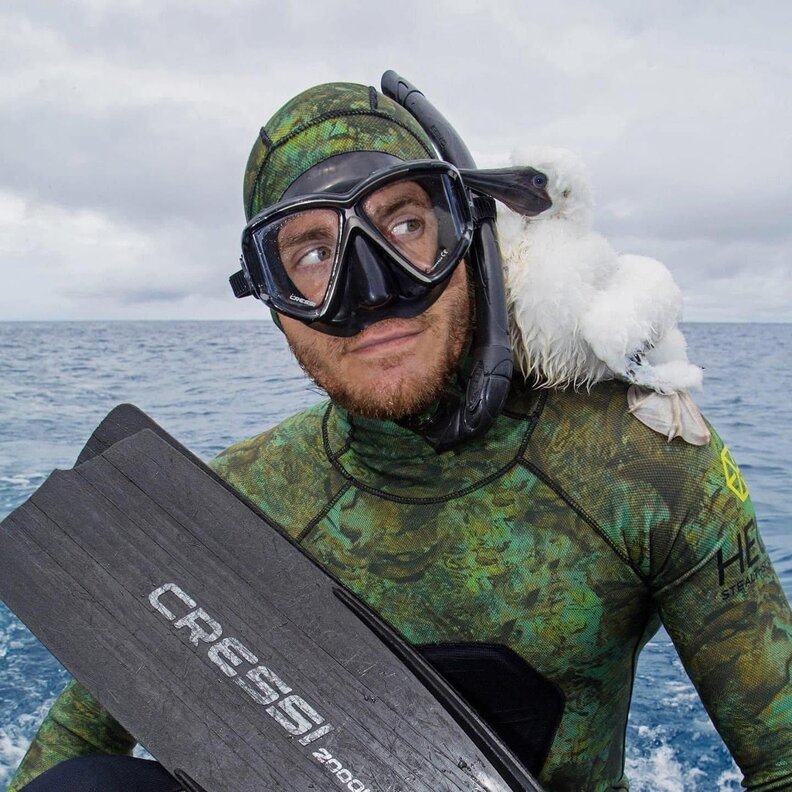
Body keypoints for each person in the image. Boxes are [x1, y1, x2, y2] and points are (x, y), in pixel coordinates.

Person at [9, 78, 792, 792]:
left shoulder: (640, 463)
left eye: (405, 225)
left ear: (471, 239)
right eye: (313, 254)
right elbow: (77, 735)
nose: (371, 288)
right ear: (272, 296)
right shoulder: (233, 501)